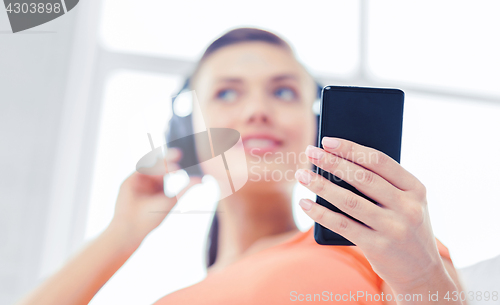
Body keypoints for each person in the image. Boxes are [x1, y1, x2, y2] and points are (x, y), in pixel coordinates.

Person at [17, 28, 465, 305]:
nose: (257, 110)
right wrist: (122, 233)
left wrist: (421, 276)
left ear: (316, 124)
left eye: (285, 92)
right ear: (186, 135)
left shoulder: (389, 249)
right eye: (227, 93)